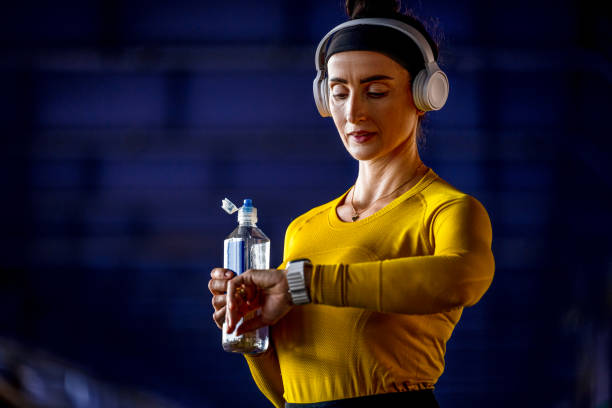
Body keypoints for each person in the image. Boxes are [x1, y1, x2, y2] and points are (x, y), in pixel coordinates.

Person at [208, 0, 495, 406]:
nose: (354, 112)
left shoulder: (446, 210)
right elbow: (288, 391)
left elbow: (462, 278)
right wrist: (250, 331)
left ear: (424, 94)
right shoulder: (303, 230)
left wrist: (303, 284)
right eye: (339, 93)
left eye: (376, 91)